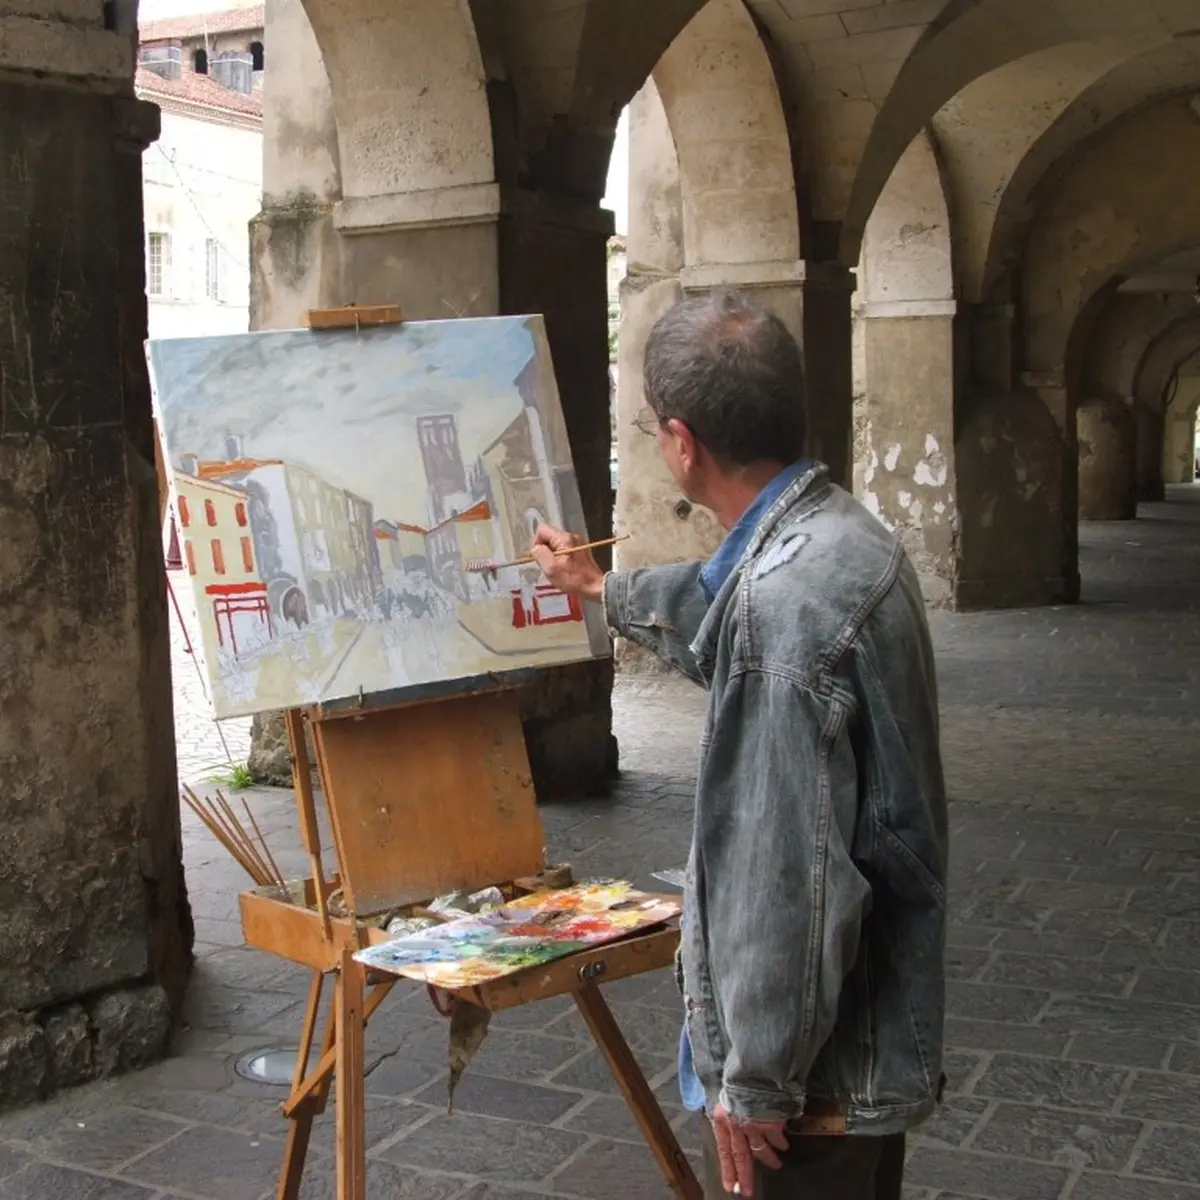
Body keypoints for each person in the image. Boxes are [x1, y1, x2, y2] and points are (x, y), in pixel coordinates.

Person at [530, 290, 948, 1200]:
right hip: (864, 1042)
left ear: (682, 443)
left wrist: (755, 1080)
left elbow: (783, 870)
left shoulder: (782, 609)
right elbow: (722, 603)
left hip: (818, 1080)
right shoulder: (843, 533)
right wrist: (599, 587)